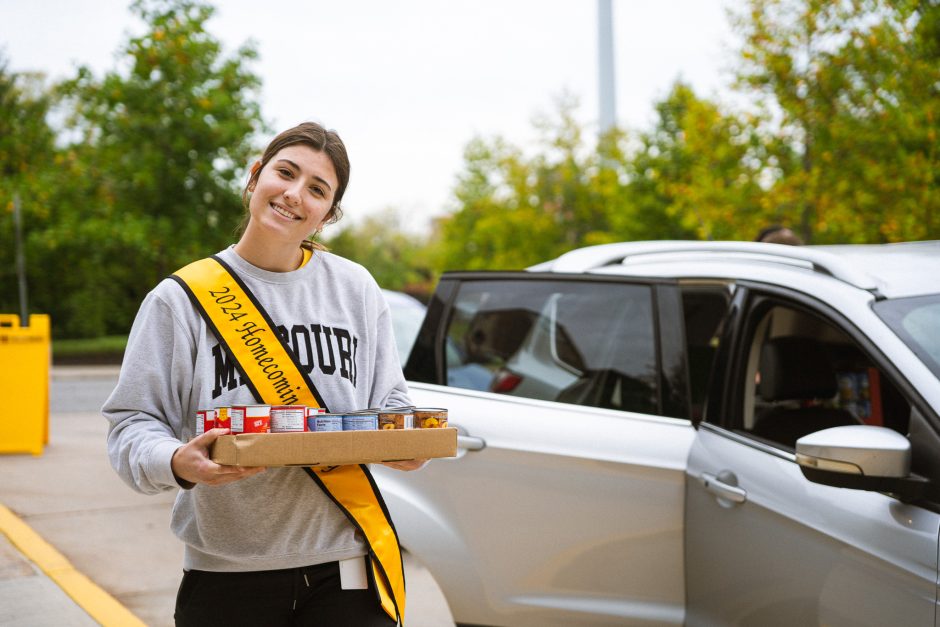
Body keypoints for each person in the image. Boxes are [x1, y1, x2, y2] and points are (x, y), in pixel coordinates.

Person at [102, 122, 423, 626]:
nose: (295, 195)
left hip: (345, 572)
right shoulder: (180, 299)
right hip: (227, 580)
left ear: (328, 214)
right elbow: (131, 425)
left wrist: (407, 442)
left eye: (317, 189)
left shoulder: (355, 288)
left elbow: (392, 405)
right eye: (285, 173)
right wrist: (177, 460)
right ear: (255, 178)